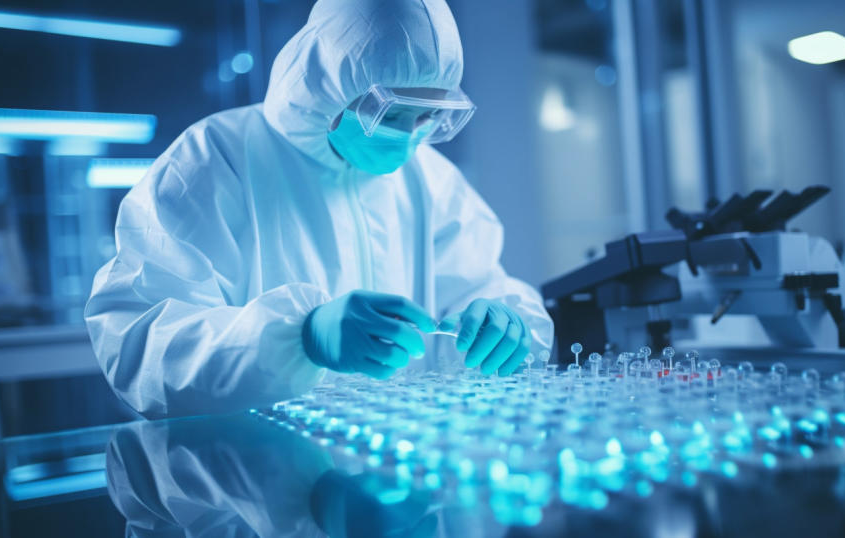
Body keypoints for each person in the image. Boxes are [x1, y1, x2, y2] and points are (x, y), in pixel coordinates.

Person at [85, 0, 554, 417]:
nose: (410, 138)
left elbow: (476, 290)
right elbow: (139, 346)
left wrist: (504, 324)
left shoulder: (432, 181)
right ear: (327, 88)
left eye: (427, 117)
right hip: (254, 484)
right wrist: (300, 337)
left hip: (406, 473)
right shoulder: (215, 159)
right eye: (391, 115)